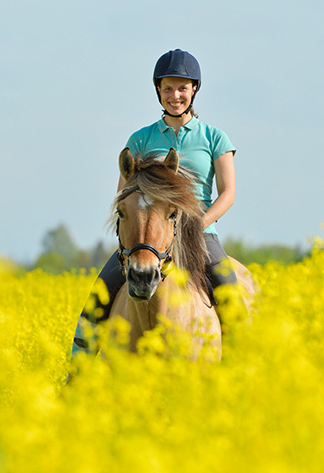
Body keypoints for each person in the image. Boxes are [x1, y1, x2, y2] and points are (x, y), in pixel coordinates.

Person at [72, 48, 238, 355]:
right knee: (97, 299)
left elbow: (227, 193)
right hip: (147, 237)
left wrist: (196, 226)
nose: (175, 95)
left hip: (201, 234)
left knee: (231, 293)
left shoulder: (215, 138)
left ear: (194, 90)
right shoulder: (140, 140)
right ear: (158, 91)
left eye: (182, 88)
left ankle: (245, 367)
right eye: (168, 89)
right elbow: (124, 196)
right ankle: (77, 372)